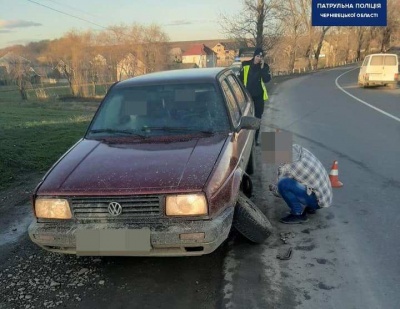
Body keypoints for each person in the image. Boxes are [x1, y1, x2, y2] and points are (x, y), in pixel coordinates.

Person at [269, 144, 333, 224]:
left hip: (317, 202)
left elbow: (279, 191)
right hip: (324, 197)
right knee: (297, 180)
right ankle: (311, 207)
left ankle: (297, 214)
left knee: (283, 184)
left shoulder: (287, 167)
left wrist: (273, 188)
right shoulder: (299, 149)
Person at [239, 47, 271, 145]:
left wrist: (262, 69)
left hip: (259, 97)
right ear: (254, 56)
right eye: (257, 56)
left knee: (257, 119)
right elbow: (240, 80)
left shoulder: (265, 67)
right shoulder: (245, 65)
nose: (259, 58)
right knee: (246, 120)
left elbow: (266, 80)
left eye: (261, 57)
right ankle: (246, 141)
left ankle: (255, 141)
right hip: (247, 98)